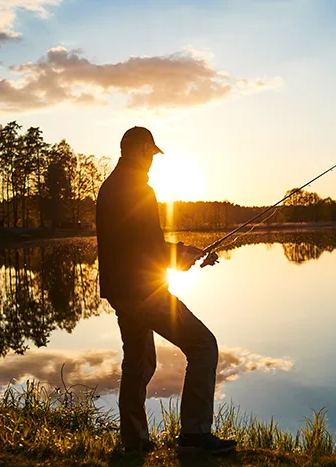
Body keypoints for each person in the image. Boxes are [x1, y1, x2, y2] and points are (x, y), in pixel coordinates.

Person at [96, 126, 237, 455]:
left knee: (139, 363)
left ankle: (134, 441)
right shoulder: (138, 188)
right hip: (145, 292)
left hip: (121, 291)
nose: (153, 161)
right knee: (204, 346)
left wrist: (183, 254)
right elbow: (150, 248)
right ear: (142, 149)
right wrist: (182, 255)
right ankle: (194, 437)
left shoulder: (110, 187)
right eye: (152, 153)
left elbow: (139, 245)